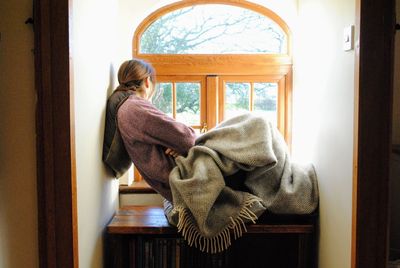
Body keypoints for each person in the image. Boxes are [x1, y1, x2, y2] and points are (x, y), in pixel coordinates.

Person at [115, 59, 196, 201]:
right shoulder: (135, 108)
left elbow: (180, 141)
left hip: (174, 178)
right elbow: (188, 139)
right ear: (147, 81)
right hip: (186, 179)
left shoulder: (127, 107)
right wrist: (180, 146)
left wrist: (176, 147)